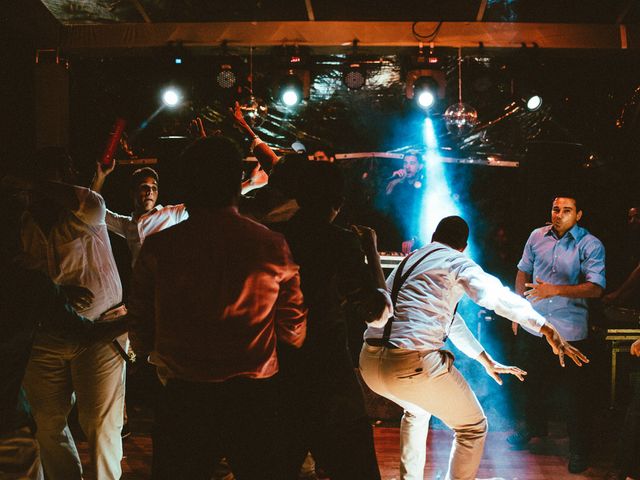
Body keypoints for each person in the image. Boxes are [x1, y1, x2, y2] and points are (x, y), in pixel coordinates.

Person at [127, 136, 307, 480]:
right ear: (234, 185)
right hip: (253, 397)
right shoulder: (271, 244)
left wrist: (154, 358)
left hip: (184, 394)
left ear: (187, 184)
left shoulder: (160, 247)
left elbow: (140, 319)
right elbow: (293, 330)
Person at [359, 215, 587, 480]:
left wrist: (484, 358)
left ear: (434, 236)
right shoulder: (457, 261)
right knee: (472, 426)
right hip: (410, 364)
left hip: (370, 363)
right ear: (464, 246)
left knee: (417, 410)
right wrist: (544, 325)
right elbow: (495, 295)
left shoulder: (410, 262)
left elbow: (450, 321)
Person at [0, 182, 128, 480]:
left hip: (100, 328)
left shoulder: (91, 208)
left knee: (100, 422)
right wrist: (53, 294)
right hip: (47, 335)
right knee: (47, 422)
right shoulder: (20, 224)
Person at [273, 162, 391, 480]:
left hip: (281, 373)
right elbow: (377, 314)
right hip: (330, 377)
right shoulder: (339, 241)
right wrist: (373, 253)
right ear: (337, 203)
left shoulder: (274, 238)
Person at [509, 195, 605, 473]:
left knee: (575, 396)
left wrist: (555, 289)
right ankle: (533, 429)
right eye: (555, 209)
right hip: (534, 325)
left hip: (569, 331)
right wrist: (517, 308)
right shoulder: (536, 236)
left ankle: (578, 450)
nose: (559, 214)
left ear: (579, 214)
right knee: (529, 383)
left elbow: (596, 288)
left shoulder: (590, 244)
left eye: (567, 210)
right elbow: (521, 270)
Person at [91, 163, 188, 266]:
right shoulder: (126, 225)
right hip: (141, 281)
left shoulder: (170, 213)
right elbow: (94, 209)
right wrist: (100, 177)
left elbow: (198, 206)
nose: (150, 191)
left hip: (168, 279)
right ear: (132, 193)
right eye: (144, 187)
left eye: (154, 188)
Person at [383, 152, 426, 254]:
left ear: (420, 166)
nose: (407, 167)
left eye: (412, 163)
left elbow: (422, 217)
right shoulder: (399, 185)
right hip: (394, 238)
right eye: (405, 163)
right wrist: (397, 180)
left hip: (416, 241)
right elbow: (385, 195)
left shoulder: (424, 187)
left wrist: (413, 238)